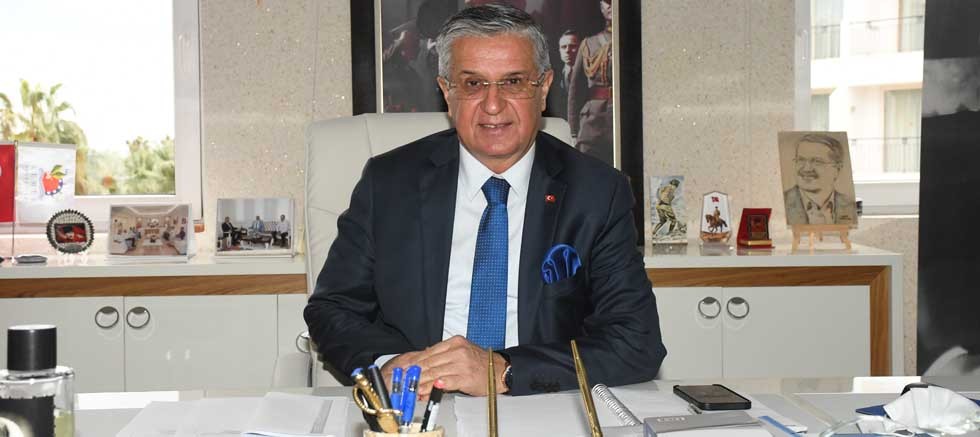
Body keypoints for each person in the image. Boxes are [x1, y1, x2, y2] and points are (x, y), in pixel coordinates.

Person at [305, 4, 665, 399]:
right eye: (473, 84)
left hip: (537, 402)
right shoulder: (389, 183)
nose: (493, 105)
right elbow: (333, 307)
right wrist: (393, 365)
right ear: (447, 92)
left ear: (544, 88)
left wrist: (505, 371)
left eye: (513, 82)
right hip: (417, 403)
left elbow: (636, 342)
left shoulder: (597, 193)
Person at [568, 0, 614, 165]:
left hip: (623, 120)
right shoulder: (589, 44)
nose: (611, 6)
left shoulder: (637, 42)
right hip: (593, 123)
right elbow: (575, 89)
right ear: (601, 7)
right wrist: (574, 131)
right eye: (607, 3)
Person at [783, 133, 857, 225]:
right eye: (801, 160)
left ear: (837, 169)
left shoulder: (850, 206)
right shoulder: (782, 204)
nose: (807, 168)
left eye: (817, 161)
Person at [546, 29, 580, 122]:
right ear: (559, 50)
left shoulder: (590, 77)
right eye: (564, 47)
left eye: (573, 46)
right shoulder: (552, 77)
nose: (568, 50)